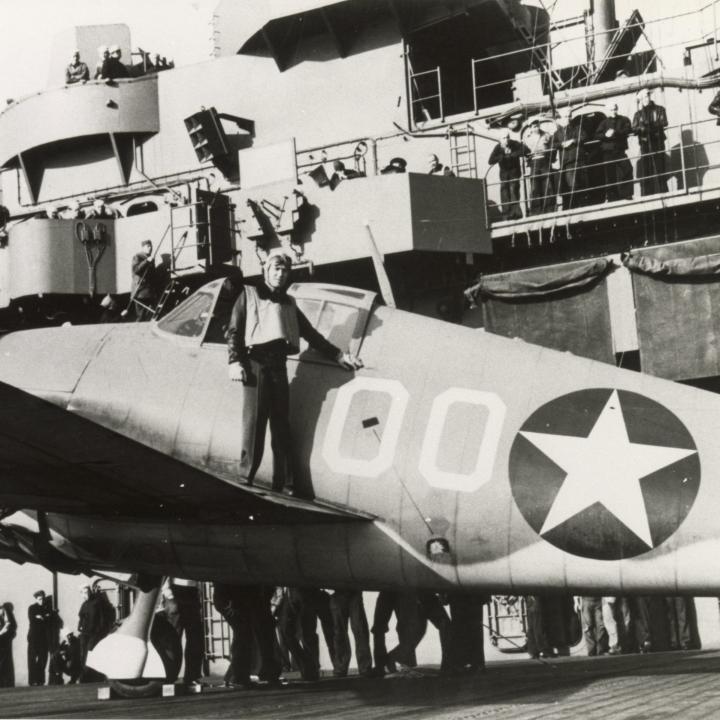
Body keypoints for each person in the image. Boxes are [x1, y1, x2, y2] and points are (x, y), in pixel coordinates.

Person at [227, 250, 363, 493]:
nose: (280, 274)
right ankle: (245, 476)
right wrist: (235, 361)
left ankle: (288, 483)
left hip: (279, 366)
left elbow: (311, 334)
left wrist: (339, 355)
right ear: (266, 270)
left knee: (281, 426)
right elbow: (234, 330)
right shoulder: (248, 295)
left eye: (284, 270)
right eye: (275, 269)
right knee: (255, 425)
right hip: (255, 364)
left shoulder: (289, 303)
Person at [164, 579, 204, 687]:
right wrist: (170, 596)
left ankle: (192, 676)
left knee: (196, 638)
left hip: (192, 591)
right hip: (175, 590)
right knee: (173, 639)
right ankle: (169, 676)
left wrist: (197, 591)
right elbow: (164, 571)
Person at [632, 88, 669, 195]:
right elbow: (634, 128)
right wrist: (641, 129)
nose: (645, 99)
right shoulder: (638, 114)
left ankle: (664, 192)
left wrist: (651, 126)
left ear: (649, 96)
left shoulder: (660, 109)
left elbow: (664, 122)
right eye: (642, 97)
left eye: (646, 96)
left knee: (660, 167)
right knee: (646, 169)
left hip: (657, 141)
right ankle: (648, 194)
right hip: (645, 143)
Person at [594, 102, 633, 201]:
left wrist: (616, 133)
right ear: (608, 111)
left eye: (615, 109)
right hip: (608, 152)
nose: (613, 112)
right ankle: (612, 197)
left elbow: (628, 129)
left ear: (617, 109)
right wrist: (606, 135)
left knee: (627, 169)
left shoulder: (624, 119)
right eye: (611, 110)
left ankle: (627, 194)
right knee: (610, 175)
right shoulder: (604, 123)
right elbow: (597, 135)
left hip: (620, 151)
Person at [329, 590, 371, 677]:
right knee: (340, 633)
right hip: (340, 592)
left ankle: (364, 667)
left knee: (359, 630)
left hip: (352, 592)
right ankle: (342, 668)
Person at [488, 130, 527, 219]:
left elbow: (525, 150)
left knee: (514, 191)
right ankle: (507, 214)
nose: (506, 140)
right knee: (504, 192)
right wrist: (501, 157)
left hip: (514, 173)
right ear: (500, 140)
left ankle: (516, 213)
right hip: (504, 174)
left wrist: (513, 154)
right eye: (504, 138)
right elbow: (490, 160)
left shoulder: (514, 144)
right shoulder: (498, 147)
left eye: (507, 137)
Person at [525, 122, 556, 214]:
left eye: (537, 125)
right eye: (534, 126)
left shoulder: (547, 135)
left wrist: (551, 159)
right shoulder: (527, 138)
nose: (536, 128)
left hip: (545, 161)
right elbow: (525, 152)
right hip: (534, 162)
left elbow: (552, 147)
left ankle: (550, 209)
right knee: (535, 187)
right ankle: (536, 211)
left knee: (548, 185)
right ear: (530, 128)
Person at [558, 113, 588, 209]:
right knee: (572, 185)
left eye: (569, 116)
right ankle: (574, 206)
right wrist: (562, 144)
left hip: (580, 160)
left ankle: (583, 206)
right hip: (568, 162)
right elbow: (553, 144)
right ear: (562, 118)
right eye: (566, 116)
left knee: (583, 183)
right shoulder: (558, 132)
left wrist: (573, 141)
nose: (568, 118)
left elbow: (584, 137)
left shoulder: (578, 128)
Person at [27, 590, 51, 685]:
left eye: (43, 599)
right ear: (36, 599)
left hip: (43, 638)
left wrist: (42, 617)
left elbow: (48, 619)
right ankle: (32, 681)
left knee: (42, 659)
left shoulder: (47, 608)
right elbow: (32, 618)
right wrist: (43, 617)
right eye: (40, 599)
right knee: (32, 659)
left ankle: (40, 680)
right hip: (33, 637)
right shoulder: (32, 608)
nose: (42, 601)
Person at [130, 239, 157, 320]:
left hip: (149, 292)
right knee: (141, 316)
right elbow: (136, 270)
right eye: (148, 246)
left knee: (151, 315)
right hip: (140, 291)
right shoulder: (137, 256)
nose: (150, 248)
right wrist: (146, 261)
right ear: (143, 248)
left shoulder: (150, 258)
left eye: (151, 246)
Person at [0, 602, 17, 687]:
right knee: (5, 663)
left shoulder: (6, 620)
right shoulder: (5, 620)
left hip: (5, 644)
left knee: (5, 663)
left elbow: (12, 630)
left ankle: (5, 683)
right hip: (3, 643)